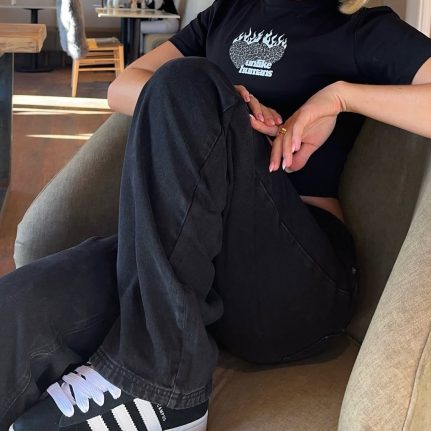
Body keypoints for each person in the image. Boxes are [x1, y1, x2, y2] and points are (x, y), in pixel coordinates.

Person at [2, 0, 431, 430]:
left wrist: (340, 98)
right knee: (19, 306)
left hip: (298, 287)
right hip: (195, 258)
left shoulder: (359, 28)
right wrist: (219, 106)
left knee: (188, 79)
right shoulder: (227, 14)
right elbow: (123, 86)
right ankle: (161, 356)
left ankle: (165, 385)